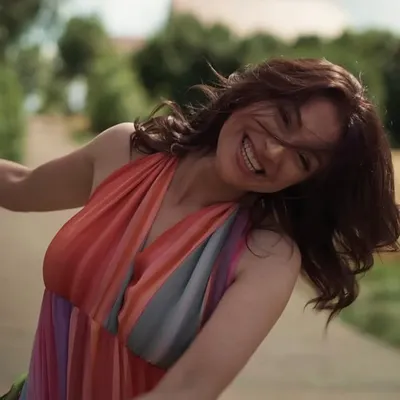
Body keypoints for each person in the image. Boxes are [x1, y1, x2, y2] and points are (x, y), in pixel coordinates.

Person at [0, 57, 399, 400]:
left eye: (303, 159)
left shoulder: (267, 258)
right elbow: (20, 186)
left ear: (305, 183)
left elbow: (189, 389)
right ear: (254, 92)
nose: (274, 150)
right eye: (283, 118)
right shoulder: (124, 151)